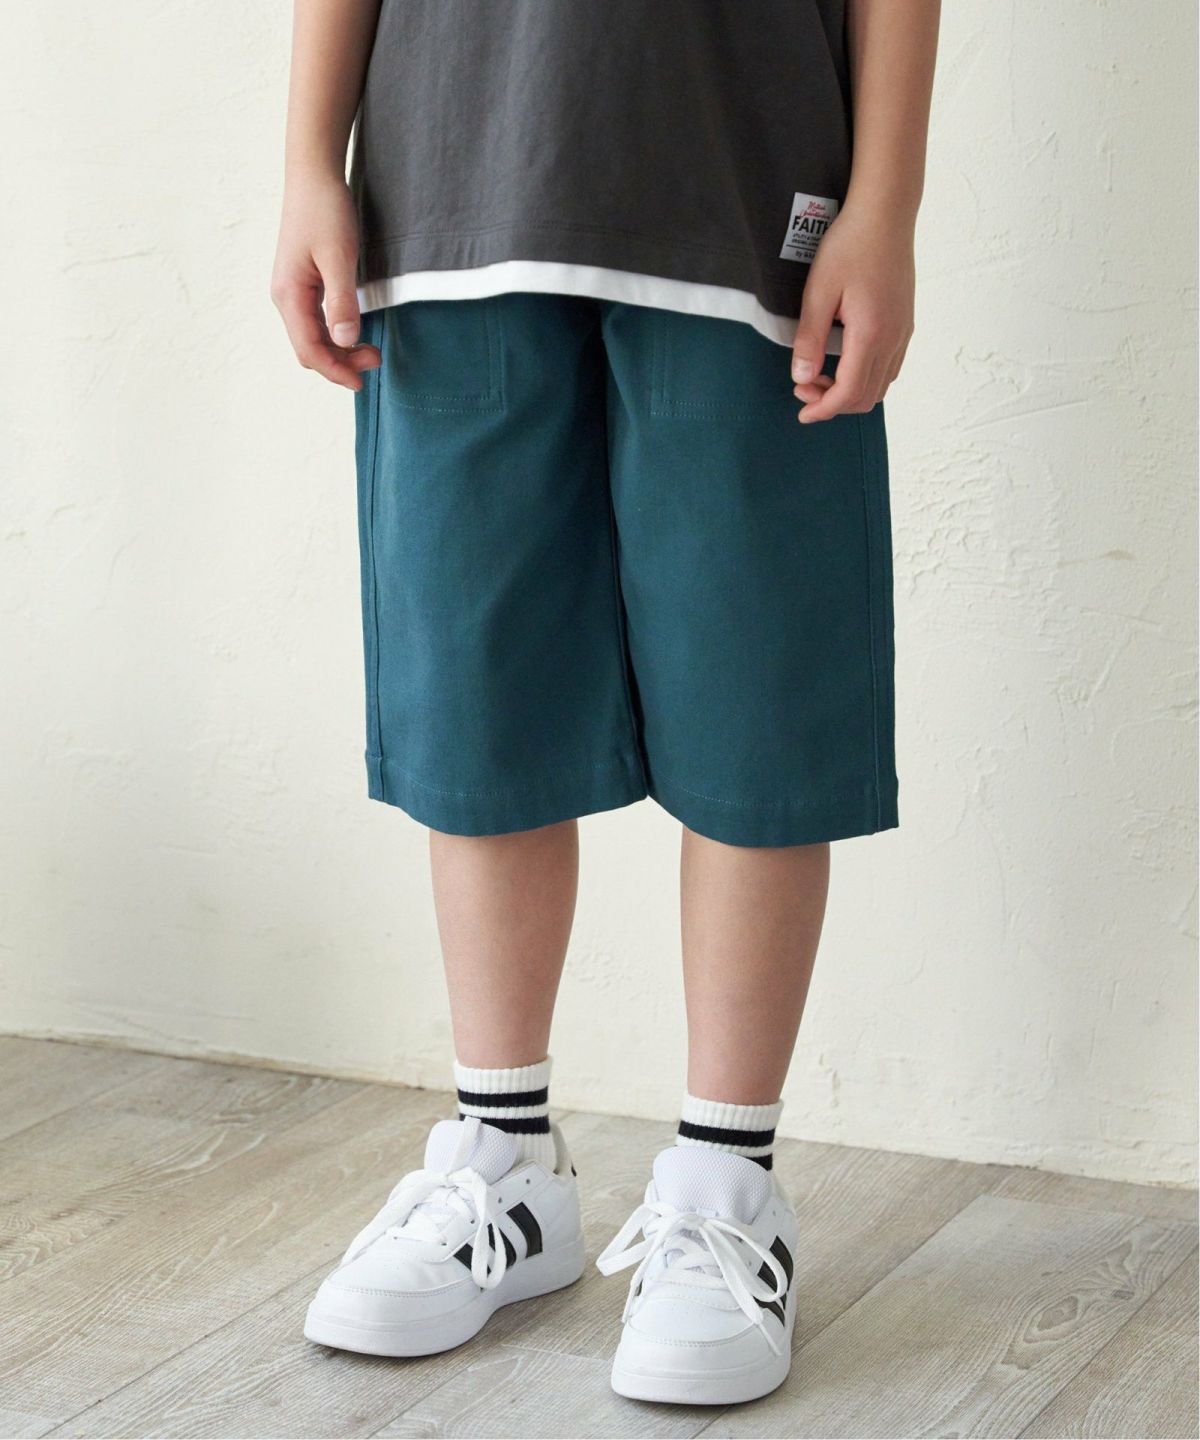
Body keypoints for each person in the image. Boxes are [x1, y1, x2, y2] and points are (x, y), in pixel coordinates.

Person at [272, 0, 938, 1407]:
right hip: (448, 183)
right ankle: (503, 1162)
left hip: (747, 183)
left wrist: (887, 200)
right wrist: (305, 159)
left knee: (758, 692)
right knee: (478, 696)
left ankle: (726, 1184)